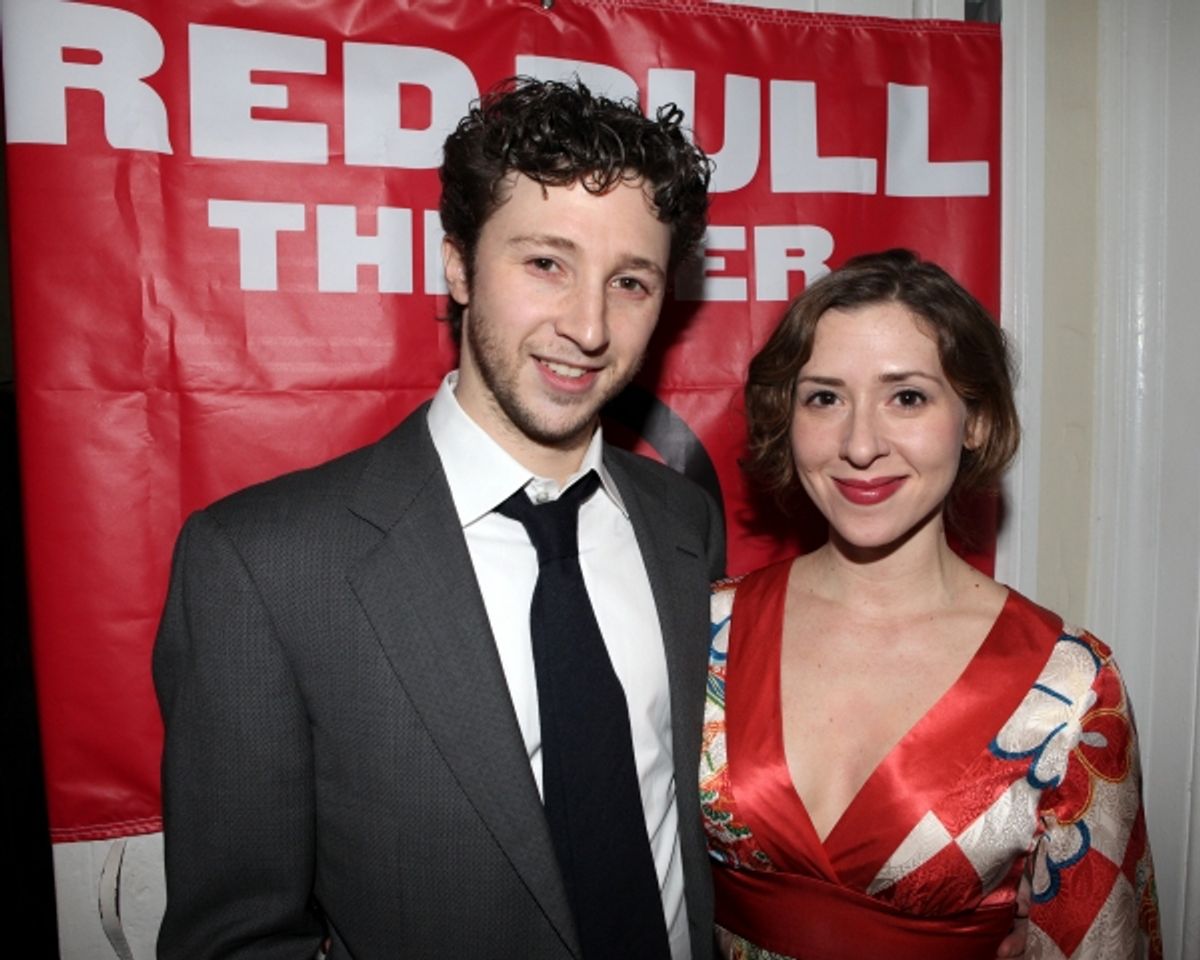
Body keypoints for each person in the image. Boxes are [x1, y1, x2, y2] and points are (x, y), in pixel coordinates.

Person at [153, 77, 724, 960]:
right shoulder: (262, 566)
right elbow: (238, 940)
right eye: (545, 263)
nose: (588, 325)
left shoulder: (684, 528)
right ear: (457, 261)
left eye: (632, 281)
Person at [700, 249, 1161, 959]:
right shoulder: (704, 629)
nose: (859, 444)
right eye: (825, 397)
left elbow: (1099, 939)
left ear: (973, 420)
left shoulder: (1070, 685)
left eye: (906, 397)